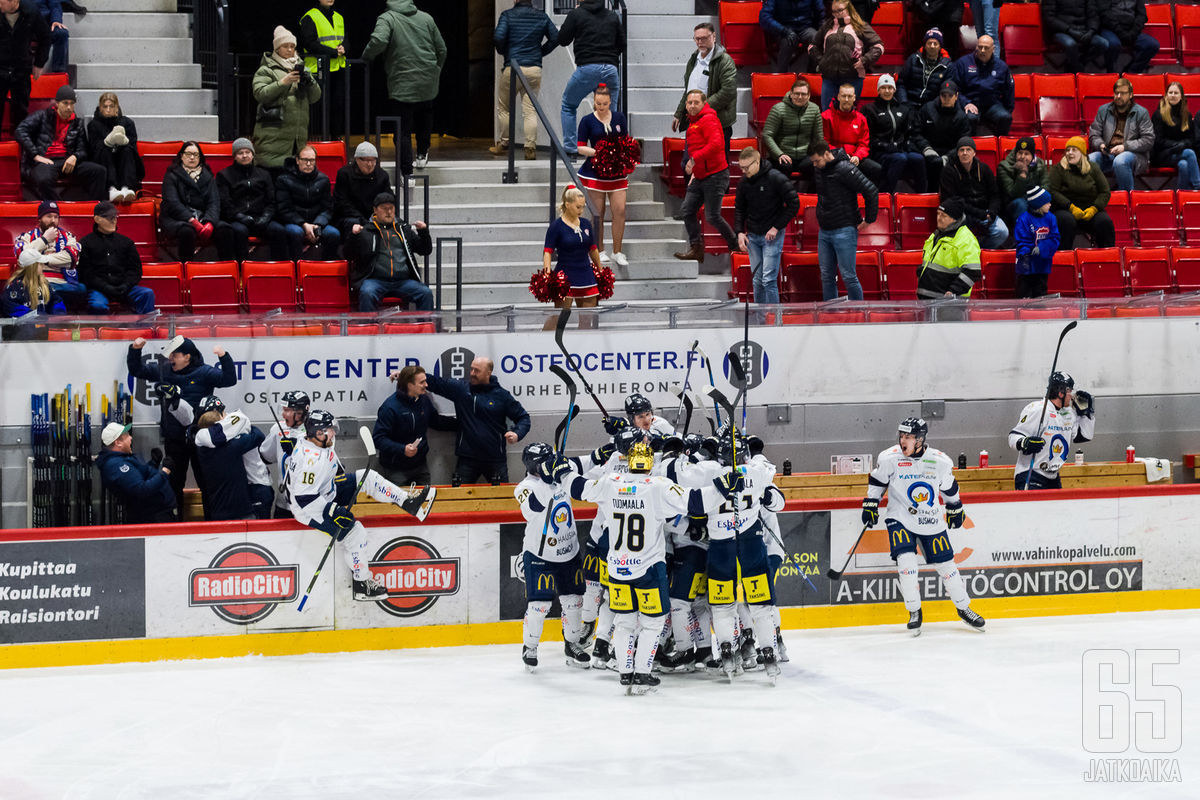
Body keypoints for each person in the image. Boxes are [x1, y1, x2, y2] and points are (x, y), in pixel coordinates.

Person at [567, 440, 737, 692]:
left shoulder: (610, 483)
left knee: (624, 623)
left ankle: (625, 672)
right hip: (648, 569)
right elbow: (696, 502)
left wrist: (561, 470)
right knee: (653, 623)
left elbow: (577, 487)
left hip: (617, 569)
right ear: (650, 464)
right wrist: (724, 487)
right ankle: (642, 673)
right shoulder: (658, 486)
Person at [286, 409, 436, 601]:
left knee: (369, 477)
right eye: (330, 429)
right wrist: (332, 511)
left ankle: (410, 503)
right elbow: (303, 499)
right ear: (318, 433)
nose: (334, 432)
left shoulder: (313, 439)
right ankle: (362, 583)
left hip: (326, 489)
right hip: (309, 509)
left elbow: (305, 440)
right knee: (355, 533)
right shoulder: (311, 462)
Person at [670, 433, 786, 681]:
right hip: (751, 545)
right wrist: (766, 495)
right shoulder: (756, 470)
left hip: (721, 547)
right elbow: (778, 502)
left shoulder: (707, 471)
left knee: (723, 607)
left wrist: (698, 453)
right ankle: (768, 650)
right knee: (760, 604)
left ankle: (726, 649)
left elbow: (677, 474)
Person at [861, 417, 985, 635]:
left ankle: (964, 608)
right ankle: (914, 611)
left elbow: (949, 489)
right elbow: (878, 481)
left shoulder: (940, 461)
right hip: (900, 518)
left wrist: (955, 506)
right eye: (901, 436)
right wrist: (871, 503)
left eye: (908, 437)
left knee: (947, 567)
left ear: (920, 439)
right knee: (906, 564)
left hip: (931, 520)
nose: (903, 441)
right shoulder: (889, 458)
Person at [126, 335, 236, 513]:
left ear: (187, 356)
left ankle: (212, 522)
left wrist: (223, 356)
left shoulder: (205, 372)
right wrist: (135, 349)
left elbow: (229, 379)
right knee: (173, 483)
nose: (170, 359)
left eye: (174, 355)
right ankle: (174, 523)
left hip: (202, 438)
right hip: (174, 438)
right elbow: (137, 370)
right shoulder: (164, 371)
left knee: (206, 482)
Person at [513, 443, 591, 671]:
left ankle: (572, 644)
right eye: (545, 461)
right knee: (539, 605)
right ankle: (530, 646)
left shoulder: (559, 474)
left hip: (569, 551)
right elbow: (531, 509)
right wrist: (549, 482)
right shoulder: (524, 486)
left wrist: (604, 451)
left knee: (574, 602)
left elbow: (587, 462)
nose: (550, 464)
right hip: (540, 554)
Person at [363, 0, 446, 174]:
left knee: (403, 130)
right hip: (428, 81)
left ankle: (406, 173)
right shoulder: (426, 18)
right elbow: (442, 49)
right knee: (425, 118)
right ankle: (422, 154)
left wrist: (367, 57)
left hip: (402, 82)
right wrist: (435, 70)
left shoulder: (387, 18)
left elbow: (378, 40)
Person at [425, 356, 531, 485]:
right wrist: (405, 375)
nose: (472, 374)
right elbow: (436, 383)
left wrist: (517, 434)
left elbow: (523, 418)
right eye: (471, 369)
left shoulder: (502, 395)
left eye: (477, 371)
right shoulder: (461, 390)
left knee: (501, 499)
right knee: (459, 500)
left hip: (495, 460)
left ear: (488, 373)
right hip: (467, 459)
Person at [674, 90, 737, 263]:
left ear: (703, 104)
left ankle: (735, 246)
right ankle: (696, 248)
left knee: (712, 216)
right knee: (687, 211)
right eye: (689, 103)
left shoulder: (708, 119)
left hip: (716, 175)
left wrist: (694, 160)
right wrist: (695, 170)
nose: (692, 105)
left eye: (696, 102)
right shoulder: (692, 122)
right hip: (701, 175)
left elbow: (717, 144)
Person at [811, 141, 878, 301]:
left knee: (848, 276)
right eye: (812, 161)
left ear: (827, 154)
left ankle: (858, 316)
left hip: (844, 229)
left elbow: (871, 190)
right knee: (826, 276)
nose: (814, 165)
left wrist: (869, 219)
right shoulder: (819, 169)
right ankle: (830, 315)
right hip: (824, 230)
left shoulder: (845, 169)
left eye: (817, 161)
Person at [491, 0, 558, 160]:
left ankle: (504, 143)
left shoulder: (507, 15)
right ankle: (530, 147)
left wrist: (504, 52)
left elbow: (498, 37)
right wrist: (539, 52)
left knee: (504, 107)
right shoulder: (542, 16)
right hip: (534, 69)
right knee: (530, 109)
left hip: (513, 67)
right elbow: (556, 37)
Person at [14, 84, 105, 201]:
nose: (69, 107)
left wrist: (75, 156)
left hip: (67, 160)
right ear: (57, 104)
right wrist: (35, 155)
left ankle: (92, 209)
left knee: (99, 171)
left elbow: (83, 149)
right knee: (43, 179)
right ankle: (59, 209)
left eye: (72, 103)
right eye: (65, 103)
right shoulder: (42, 116)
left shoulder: (77, 123)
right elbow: (20, 130)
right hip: (46, 160)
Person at [252, 25, 322, 173]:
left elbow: (315, 97)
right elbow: (260, 93)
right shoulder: (266, 70)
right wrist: (284, 82)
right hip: (272, 141)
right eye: (285, 46)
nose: (290, 50)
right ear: (277, 49)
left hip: (297, 142)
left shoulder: (302, 68)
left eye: (292, 46)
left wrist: (310, 81)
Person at [734, 146, 800, 305]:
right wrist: (739, 232)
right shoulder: (744, 183)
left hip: (772, 236)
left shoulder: (776, 178)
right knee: (757, 280)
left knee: (768, 279)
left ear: (757, 162)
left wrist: (776, 227)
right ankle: (760, 321)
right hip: (753, 235)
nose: (744, 171)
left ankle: (773, 320)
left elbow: (794, 203)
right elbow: (739, 209)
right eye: (741, 167)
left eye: (746, 167)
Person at [557, 0, 622, 158]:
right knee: (608, 112)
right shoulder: (613, 16)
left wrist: (574, 16)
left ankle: (571, 149)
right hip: (611, 69)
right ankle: (608, 151)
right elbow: (621, 45)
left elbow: (562, 39)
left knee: (568, 105)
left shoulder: (576, 14)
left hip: (587, 68)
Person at [1009, 371, 1095, 490]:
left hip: (1053, 477)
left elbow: (1084, 437)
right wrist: (1025, 443)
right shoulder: (1038, 409)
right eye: (1069, 391)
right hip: (1031, 473)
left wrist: (1086, 414)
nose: (1072, 395)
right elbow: (1013, 437)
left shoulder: (1069, 413)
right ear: (1061, 393)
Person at [575, 85, 630, 266]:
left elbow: (625, 141)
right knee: (598, 213)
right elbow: (580, 146)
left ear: (610, 102)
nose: (601, 106)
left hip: (617, 171)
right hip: (595, 171)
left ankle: (618, 251)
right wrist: (598, 152)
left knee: (619, 210)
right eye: (598, 103)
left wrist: (623, 154)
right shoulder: (587, 121)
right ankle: (600, 249)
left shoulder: (620, 117)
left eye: (604, 104)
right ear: (594, 102)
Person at [349, 191, 432, 311]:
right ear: (375, 210)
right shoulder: (366, 231)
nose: (388, 212)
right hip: (375, 280)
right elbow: (349, 254)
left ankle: (425, 328)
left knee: (425, 293)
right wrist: (354, 236)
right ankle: (369, 328)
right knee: (367, 292)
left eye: (391, 208)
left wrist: (424, 232)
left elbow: (425, 250)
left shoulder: (404, 229)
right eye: (384, 208)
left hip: (403, 281)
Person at [190, 396, 268, 522]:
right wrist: (238, 426)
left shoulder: (201, 447)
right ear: (221, 421)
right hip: (242, 511)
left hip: (217, 510)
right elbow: (258, 435)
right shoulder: (232, 446)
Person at [376, 365, 457, 486]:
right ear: (410, 385)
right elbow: (378, 439)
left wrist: (462, 424)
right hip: (396, 470)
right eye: (422, 382)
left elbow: (436, 421)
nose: (426, 385)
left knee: (425, 502)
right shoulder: (389, 407)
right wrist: (402, 449)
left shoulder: (424, 400)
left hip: (420, 467)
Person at [215, 138, 287, 262]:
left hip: (261, 217)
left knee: (279, 230)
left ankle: (280, 267)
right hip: (237, 219)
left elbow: (271, 201)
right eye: (240, 153)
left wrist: (265, 217)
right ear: (234, 156)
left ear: (253, 154)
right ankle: (242, 270)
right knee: (239, 231)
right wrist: (240, 217)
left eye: (247, 152)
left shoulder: (264, 174)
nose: (244, 156)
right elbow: (225, 202)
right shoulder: (224, 175)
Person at [76, 201, 154, 314]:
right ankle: (100, 331)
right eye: (109, 217)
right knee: (98, 305)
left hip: (124, 287)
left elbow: (135, 270)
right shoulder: (85, 243)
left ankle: (145, 330)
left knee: (147, 294)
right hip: (98, 289)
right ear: (97, 219)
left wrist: (126, 285)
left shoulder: (126, 242)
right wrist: (105, 287)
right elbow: (86, 274)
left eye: (115, 217)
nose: (114, 220)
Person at [96, 421, 177, 525]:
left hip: (157, 514)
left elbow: (137, 477)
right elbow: (141, 490)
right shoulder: (117, 466)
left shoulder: (122, 459)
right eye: (127, 436)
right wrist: (165, 471)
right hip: (153, 518)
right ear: (118, 443)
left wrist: (153, 464)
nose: (131, 438)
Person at [542, 184, 603, 322]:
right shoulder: (556, 226)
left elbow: (593, 248)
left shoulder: (586, 224)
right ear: (567, 204)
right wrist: (547, 275)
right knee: (559, 319)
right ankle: (545, 341)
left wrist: (600, 269)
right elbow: (547, 252)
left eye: (583, 207)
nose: (581, 210)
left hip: (586, 275)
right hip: (565, 276)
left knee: (587, 319)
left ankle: (585, 343)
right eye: (578, 207)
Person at [672, 22, 737, 151]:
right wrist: (679, 113)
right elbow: (689, 90)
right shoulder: (693, 59)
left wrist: (702, 107)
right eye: (697, 39)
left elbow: (728, 91)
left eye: (704, 38)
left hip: (717, 123)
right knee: (690, 163)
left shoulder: (725, 61)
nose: (700, 42)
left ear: (713, 36)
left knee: (718, 166)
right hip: (695, 121)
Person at [810, 0, 883, 112]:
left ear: (848, 9)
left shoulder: (860, 26)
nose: (836, 14)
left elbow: (878, 46)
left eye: (840, 10)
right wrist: (822, 61)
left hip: (853, 77)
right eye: (834, 11)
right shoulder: (827, 26)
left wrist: (864, 60)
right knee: (827, 114)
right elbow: (812, 46)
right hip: (829, 78)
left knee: (849, 114)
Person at [13, 199, 86, 311]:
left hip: (62, 283)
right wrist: (44, 239)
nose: (53, 220)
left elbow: (71, 257)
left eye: (56, 217)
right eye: (48, 216)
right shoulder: (27, 236)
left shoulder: (68, 236)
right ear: (39, 219)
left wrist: (41, 258)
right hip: (35, 283)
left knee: (81, 289)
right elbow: (23, 256)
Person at [860, 74, 927, 193]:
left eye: (890, 88)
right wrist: (884, 145)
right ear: (878, 90)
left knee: (919, 158)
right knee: (899, 159)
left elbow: (908, 133)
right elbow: (868, 136)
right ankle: (884, 193)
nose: (887, 91)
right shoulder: (869, 109)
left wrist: (906, 145)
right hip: (879, 152)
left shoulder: (903, 109)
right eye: (883, 87)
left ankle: (922, 195)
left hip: (899, 150)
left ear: (894, 90)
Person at [1087, 76, 1154, 192]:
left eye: (1123, 93)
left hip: (1135, 155)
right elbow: (1094, 134)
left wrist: (1125, 147)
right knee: (1090, 159)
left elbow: (1148, 140)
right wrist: (1101, 145)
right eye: (1116, 93)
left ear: (1131, 95)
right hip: (1108, 153)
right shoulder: (1103, 110)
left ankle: (1127, 198)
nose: (1118, 96)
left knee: (1121, 160)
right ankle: (1095, 197)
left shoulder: (1141, 113)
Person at [939, 136, 1008, 248]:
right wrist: (978, 213)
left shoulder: (984, 169)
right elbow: (952, 200)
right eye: (961, 150)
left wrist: (992, 212)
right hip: (963, 213)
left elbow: (995, 194)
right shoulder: (949, 171)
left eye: (968, 150)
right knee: (954, 233)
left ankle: (980, 251)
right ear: (957, 153)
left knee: (1002, 232)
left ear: (974, 153)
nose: (965, 153)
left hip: (984, 212)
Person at [275, 144, 340, 261]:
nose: (309, 164)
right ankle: (296, 270)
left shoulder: (323, 179)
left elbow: (328, 208)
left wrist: (318, 224)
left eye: (312, 160)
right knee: (295, 233)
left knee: (333, 234)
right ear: (297, 160)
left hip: (317, 222)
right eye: (305, 160)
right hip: (295, 222)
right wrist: (304, 224)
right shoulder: (284, 180)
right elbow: (284, 209)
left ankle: (326, 269)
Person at [1049, 136, 1115, 250]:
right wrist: (1070, 207)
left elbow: (1105, 192)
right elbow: (1052, 191)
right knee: (1066, 221)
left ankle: (1107, 258)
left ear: (1083, 153)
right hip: (1065, 209)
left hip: (1089, 210)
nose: (1070, 153)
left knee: (1105, 222)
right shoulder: (1058, 169)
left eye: (1074, 150)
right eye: (1068, 150)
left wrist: (1094, 208)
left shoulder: (1093, 168)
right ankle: (1064, 259)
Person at [160, 141, 220, 264]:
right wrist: (192, 220)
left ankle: (228, 269)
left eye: (195, 155)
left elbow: (214, 202)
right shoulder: (171, 175)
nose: (192, 157)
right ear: (181, 156)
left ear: (200, 157)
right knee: (187, 231)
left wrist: (210, 222)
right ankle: (186, 269)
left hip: (203, 216)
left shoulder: (208, 176)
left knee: (225, 229)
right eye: (188, 154)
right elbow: (172, 202)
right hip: (176, 218)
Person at [0, 0, 49, 136]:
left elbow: (45, 37)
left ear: (14, 1)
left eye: (2, 2)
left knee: (20, 111)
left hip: (21, 68)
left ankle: (21, 148)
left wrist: (39, 63)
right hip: (1, 66)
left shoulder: (31, 12)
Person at [761, 77, 825, 181]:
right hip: (783, 154)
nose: (800, 97)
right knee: (783, 166)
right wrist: (779, 154)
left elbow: (819, 137)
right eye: (796, 93)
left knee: (818, 165)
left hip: (804, 155)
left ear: (809, 96)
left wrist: (819, 153)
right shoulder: (778, 109)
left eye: (803, 94)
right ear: (791, 94)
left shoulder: (815, 109)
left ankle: (811, 195)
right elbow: (767, 135)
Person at [917, 196, 981, 299]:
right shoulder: (936, 235)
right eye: (938, 214)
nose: (939, 218)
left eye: (944, 215)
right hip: (927, 300)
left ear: (954, 219)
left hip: (950, 304)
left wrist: (952, 292)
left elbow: (973, 271)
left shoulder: (966, 239)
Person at [298, 0, 346, 137]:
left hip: (337, 69)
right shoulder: (310, 17)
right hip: (316, 70)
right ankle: (315, 143)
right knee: (317, 111)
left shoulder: (339, 17)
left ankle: (335, 139)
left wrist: (345, 47)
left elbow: (345, 38)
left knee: (337, 107)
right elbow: (309, 43)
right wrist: (332, 52)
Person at [259, 390, 309, 519]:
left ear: (301, 411)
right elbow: (266, 456)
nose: (283, 414)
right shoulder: (278, 429)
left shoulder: (318, 431)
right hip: (283, 504)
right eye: (283, 409)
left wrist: (298, 448)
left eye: (288, 410)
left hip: (310, 504)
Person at [85, 92, 143, 203]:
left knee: (127, 150)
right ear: (100, 108)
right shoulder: (93, 125)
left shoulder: (128, 123)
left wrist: (124, 142)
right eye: (105, 106)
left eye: (111, 106)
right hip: (103, 160)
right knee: (105, 148)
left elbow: (133, 145)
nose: (108, 109)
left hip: (123, 159)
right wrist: (108, 142)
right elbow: (93, 148)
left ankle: (126, 188)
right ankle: (112, 189)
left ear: (117, 108)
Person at [950, 35, 1014, 135]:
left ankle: (999, 145)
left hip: (992, 104)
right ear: (976, 47)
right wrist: (965, 103)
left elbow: (1008, 90)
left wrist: (1007, 108)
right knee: (970, 118)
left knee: (1005, 117)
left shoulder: (1001, 67)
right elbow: (954, 88)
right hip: (971, 102)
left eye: (986, 48)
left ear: (993, 49)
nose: (983, 50)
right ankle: (969, 146)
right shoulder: (963, 63)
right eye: (980, 47)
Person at [914, 79, 971, 188]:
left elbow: (963, 142)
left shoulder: (962, 117)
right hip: (927, 151)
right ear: (939, 96)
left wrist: (947, 158)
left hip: (950, 154)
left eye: (950, 95)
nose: (946, 99)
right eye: (943, 95)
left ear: (956, 96)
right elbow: (916, 133)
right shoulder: (927, 109)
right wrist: (926, 149)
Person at [332, 140, 392, 240]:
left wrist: (378, 214)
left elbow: (388, 198)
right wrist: (362, 219)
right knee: (353, 224)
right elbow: (341, 202)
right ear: (357, 160)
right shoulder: (345, 174)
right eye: (366, 160)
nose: (370, 164)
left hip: (374, 214)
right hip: (350, 215)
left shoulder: (382, 176)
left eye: (373, 160)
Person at [1012, 186, 1061, 299]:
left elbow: (1055, 238)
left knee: (1040, 295)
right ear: (1039, 204)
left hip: (1042, 264)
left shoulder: (1051, 218)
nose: (1050, 205)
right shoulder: (1023, 219)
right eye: (1047, 203)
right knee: (1024, 294)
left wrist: (1041, 248)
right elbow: (1022, 239)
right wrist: (1025, 254)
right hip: (1026, 265)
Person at [1150, 82, 1200, 192]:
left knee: (1184, 165)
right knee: (1189, 153)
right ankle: (1197, 187)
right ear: (1166, 95)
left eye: (1176, 93)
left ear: (1181, 96)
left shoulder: (1187, 115)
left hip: (1180, 153)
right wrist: (1176, 145)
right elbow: (1158, 141)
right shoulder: (1159, 115)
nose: (1173, 95)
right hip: (1163, 155)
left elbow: (1192, 139)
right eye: (1170, 92)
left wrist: (1183, 145)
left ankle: (1182, 195)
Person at [1042, 0, 1105, 74]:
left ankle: (1078, 63)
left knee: (1103, 43)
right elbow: (1049, 18)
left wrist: (1091, 31)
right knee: (1071, 44)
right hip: (1061, 30)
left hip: (1083, 29)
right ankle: (1077, 70)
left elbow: (1093, 15)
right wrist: (1069, 30)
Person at [759, 0, 824, 73]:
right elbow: (764, 17)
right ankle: (781, 76)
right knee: (788, 42)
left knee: (816, 39)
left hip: (806, 27)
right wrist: (784, 31)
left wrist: (822, 33)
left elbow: (822, 15)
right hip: (784, 28)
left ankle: (812, 76)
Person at [1097, 0, 1158, 74]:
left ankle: (1130, 74)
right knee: (1113, 44)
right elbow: (1105, 14)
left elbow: (1142, 15)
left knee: (1152, 45)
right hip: (1111, 29)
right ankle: (1112, 74)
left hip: (1131, 30)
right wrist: (1121, 32)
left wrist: (1134, 32)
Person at [897, 28, 950, 111]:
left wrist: (933, 107)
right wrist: (903, 102)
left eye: (935, 44)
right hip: (909, 104)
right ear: (925, 45)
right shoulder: (913, 59)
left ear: (940, 47)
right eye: (929, 43)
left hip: (932, 107)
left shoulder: (947, 66)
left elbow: (945, 91)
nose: (932, 46)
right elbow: (901, 83)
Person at [997, 136, 1047, 225]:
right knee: (1021, 203)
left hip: (1033, 202)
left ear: (1032, 155)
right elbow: (1013, 194)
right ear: (1015, 153)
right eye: (1020, 153)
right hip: (1012, 206)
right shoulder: (1004, 167)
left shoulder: (1040, 164)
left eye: (1026, 153)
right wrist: (1022, 173)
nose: (1022, 157)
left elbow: (1045, 187)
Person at [3, 248, 66, 317]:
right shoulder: (15, 285)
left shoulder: (44, 283)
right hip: (22, 326)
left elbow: (55, 300)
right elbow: (10, 306)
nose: (43, 266)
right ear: (32, 267)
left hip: (43, 325)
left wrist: (58, 312)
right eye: (40, 264)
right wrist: (33, 316)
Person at [822, 83, 871, 167]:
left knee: (876, 169)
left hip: (854, 158)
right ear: (838, 97)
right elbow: (824, 143)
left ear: (854, 98)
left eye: (850, 96)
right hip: (834, 157)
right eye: (844, 96)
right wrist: (841, 155)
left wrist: (857, 156)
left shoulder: (861, 119)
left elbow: (863, 144)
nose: (847, 99)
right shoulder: (826, 117)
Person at [33, 0, 67, 73]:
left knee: (61, 33)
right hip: (25, 24)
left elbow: (55, 6)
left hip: (46, 25)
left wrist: (56, 20)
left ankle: (59, 72)